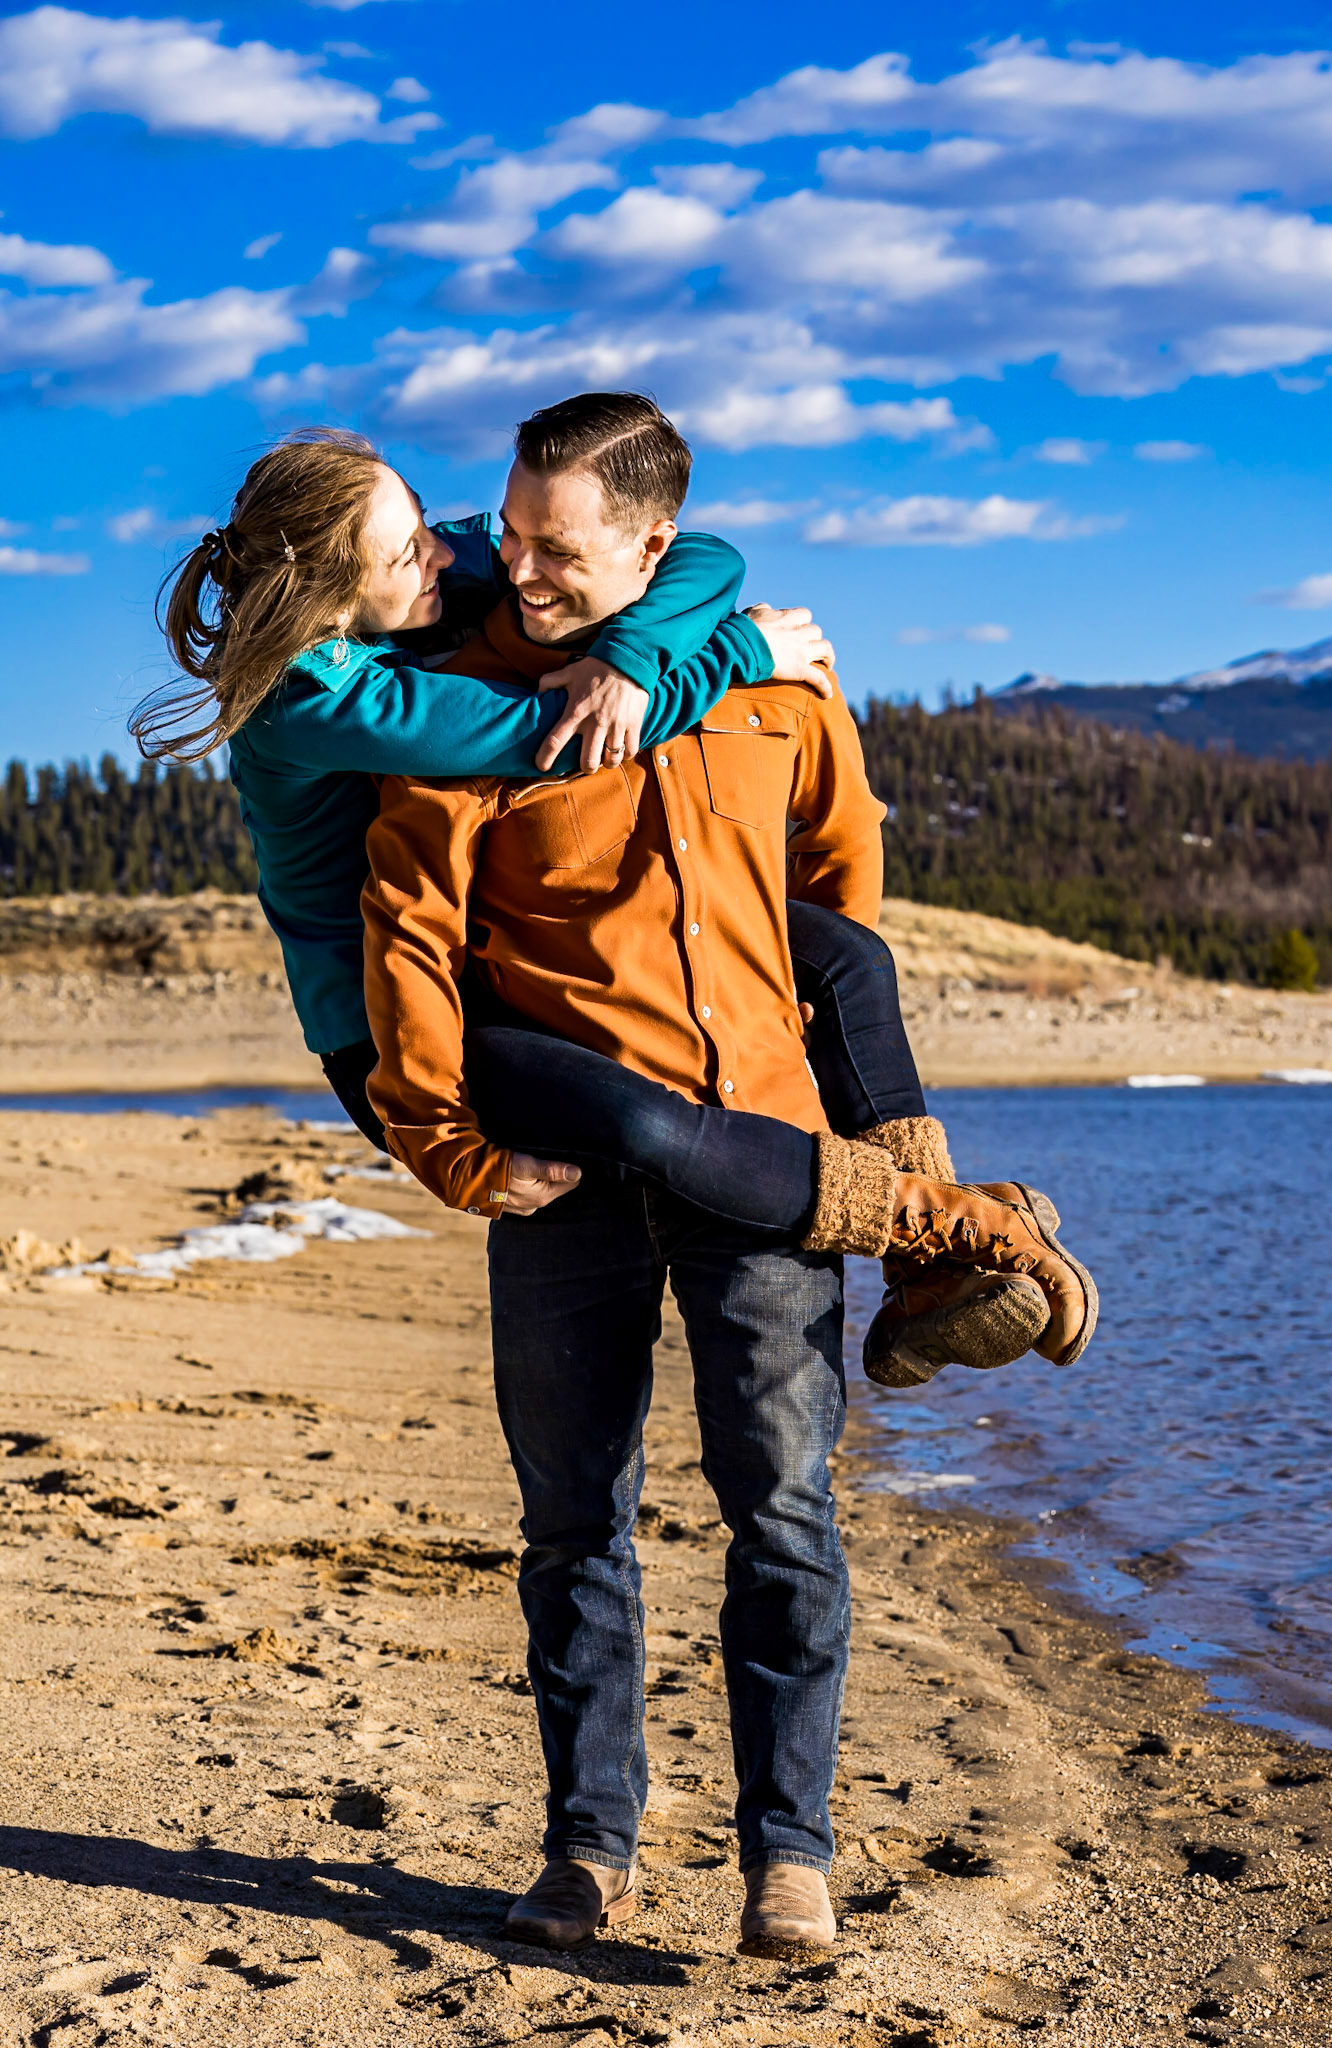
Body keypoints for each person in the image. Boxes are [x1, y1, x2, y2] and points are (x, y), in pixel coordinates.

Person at [359, 392, 1097, 1952]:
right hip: (564, 1173)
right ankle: (588, 1850)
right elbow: (412, 936)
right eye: (508, 531)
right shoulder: (460, 704)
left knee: (786, 1516)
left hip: (765, 1149)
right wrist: (448, 1148)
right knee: (575, 1525)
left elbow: (837, 896)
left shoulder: (773, 694)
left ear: (652, 544)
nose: (520, 566)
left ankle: (789, 1856)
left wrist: (841, 1084)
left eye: (556, 546)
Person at [134, 412, 1087, 1385]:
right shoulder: (310, 700)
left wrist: (628, 652)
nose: (441, 552)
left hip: (529, 938)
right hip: (408, 1025)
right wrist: (736, 658)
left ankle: (926, 1271)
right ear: (336, 595)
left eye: (420, 518)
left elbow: (701, 553)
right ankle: (944, 1218)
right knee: (644, 1124)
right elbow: (555, 730)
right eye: (404, 550)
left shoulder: (430, 567)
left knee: (844, 956)